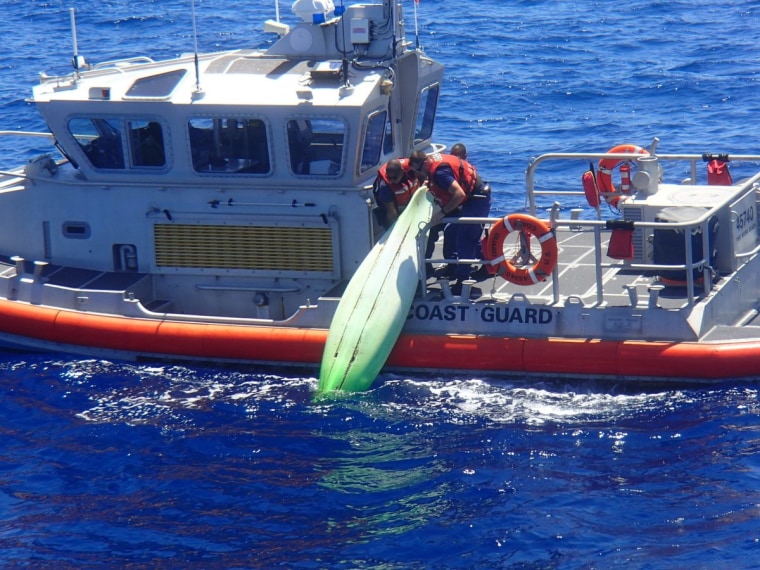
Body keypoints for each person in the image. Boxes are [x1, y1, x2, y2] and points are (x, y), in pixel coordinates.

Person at [408, 149, 491, 293]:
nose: (418, 174)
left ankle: (463, 281)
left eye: (419, 170)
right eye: (415, 172)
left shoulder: (440, 173)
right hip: (470, 198)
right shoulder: (433, 166)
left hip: (477, 199)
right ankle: (484, 264)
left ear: (426, 163)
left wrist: (443, 213)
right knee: (452, 231)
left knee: (466, 238)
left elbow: (459, 194)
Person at [372, 158, 419, 228]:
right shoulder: (385, 187)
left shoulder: (411, 169)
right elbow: (391, 212)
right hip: (393, 208)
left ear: (402, 172)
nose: (391, 181)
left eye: (394, 178)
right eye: (389, 178)